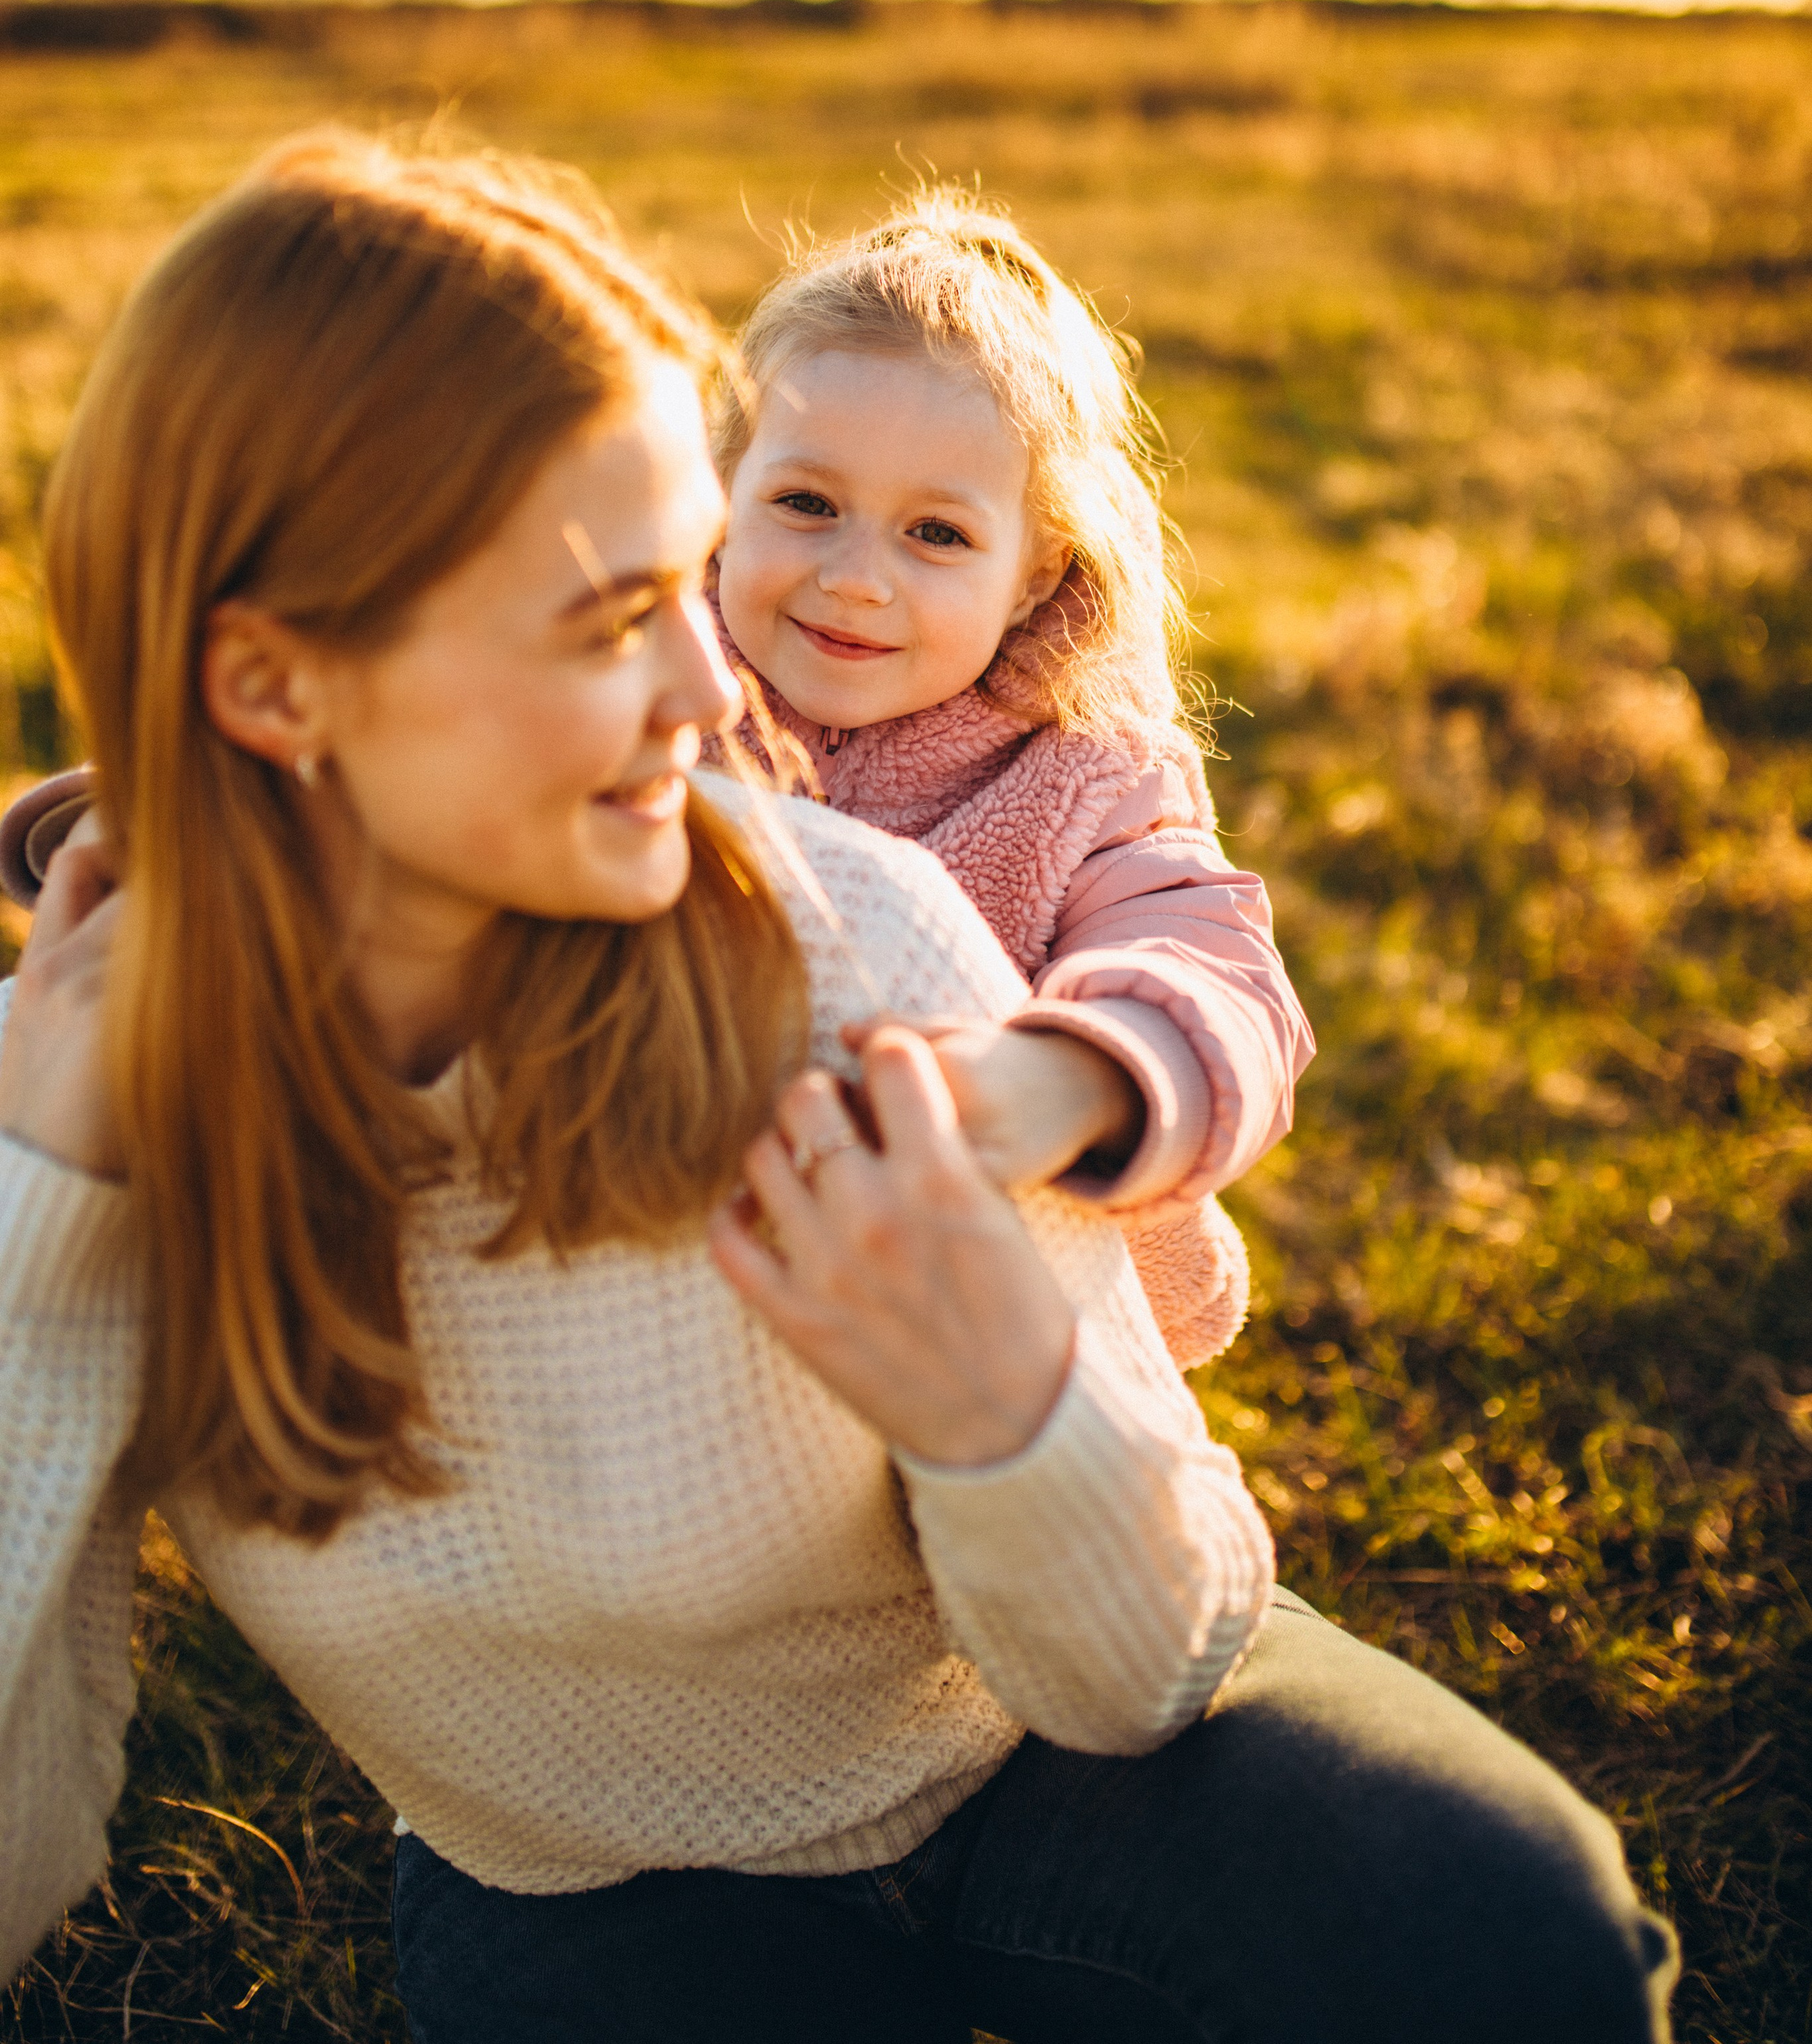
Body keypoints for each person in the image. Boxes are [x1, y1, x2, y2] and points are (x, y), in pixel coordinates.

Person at [0, 132, 1677, 2043]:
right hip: (594, 1871)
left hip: (1023, 1745)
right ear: (271, 690)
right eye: (609, 616)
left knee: (1509, 1945)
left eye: (667, 594)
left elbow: (1139, 1674)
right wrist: (46, 1225)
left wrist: (1003, 1406)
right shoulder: (74, 1106)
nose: (708, 697)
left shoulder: (869, 951)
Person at [711, 188, 1313, 1370]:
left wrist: (1075, 1080)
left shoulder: (1089, 777)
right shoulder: (649, 695)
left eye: (936, 534)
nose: (855, 579)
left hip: (984, 1322)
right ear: (723, 496)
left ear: (1036, 579)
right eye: (805, 503)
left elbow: (1224, 978)